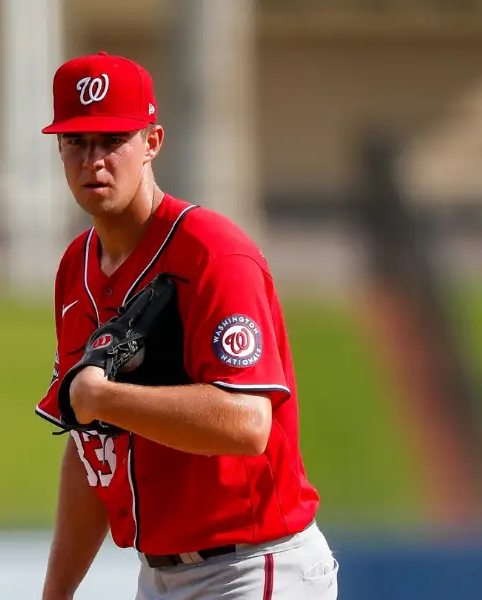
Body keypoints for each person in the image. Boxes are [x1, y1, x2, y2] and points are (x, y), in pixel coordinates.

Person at [34, 51, 338, 600]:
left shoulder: (212, 254)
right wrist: (57, 592)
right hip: (159, 575)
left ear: (152, 142)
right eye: (76, 141)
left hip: (254, 566)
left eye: (112, 140)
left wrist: (105, 398)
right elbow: (89, 445)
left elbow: (248, 424)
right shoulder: (73, 270)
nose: (93, 160)